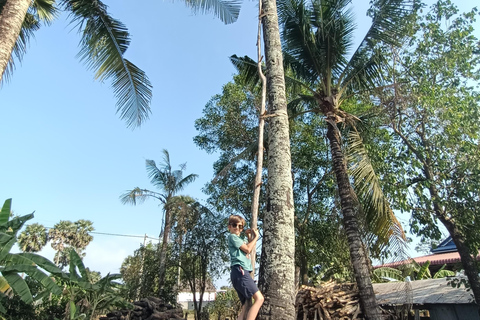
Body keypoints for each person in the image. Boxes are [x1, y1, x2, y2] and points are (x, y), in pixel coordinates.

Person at [228, 214, 264, 320]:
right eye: (235, 225)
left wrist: (249, 237)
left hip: (238, 273)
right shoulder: (233, 237)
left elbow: (248, 250)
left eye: (240, 226)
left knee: (245, 307)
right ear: (229, 226)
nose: (237, 228)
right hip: (240, 271)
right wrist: (256, 237)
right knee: (259, 299)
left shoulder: (238, 239)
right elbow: (248, 249)